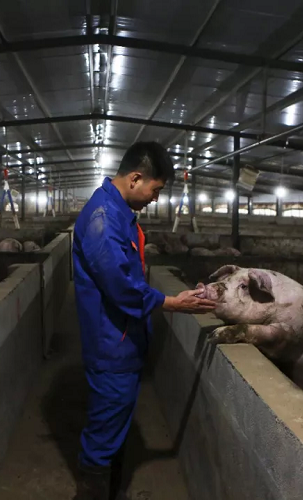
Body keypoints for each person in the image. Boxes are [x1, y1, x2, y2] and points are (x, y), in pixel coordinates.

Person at [72, 142, 217, 500]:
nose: (156, 198)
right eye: (156, 189)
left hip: (123, 341)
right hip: (111, 345)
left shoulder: (118, 213)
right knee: (104, 433)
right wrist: (171, 302)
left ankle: (110, 492)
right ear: (136, 179)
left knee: (116, 426)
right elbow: (120, 286)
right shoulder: (104, 219)